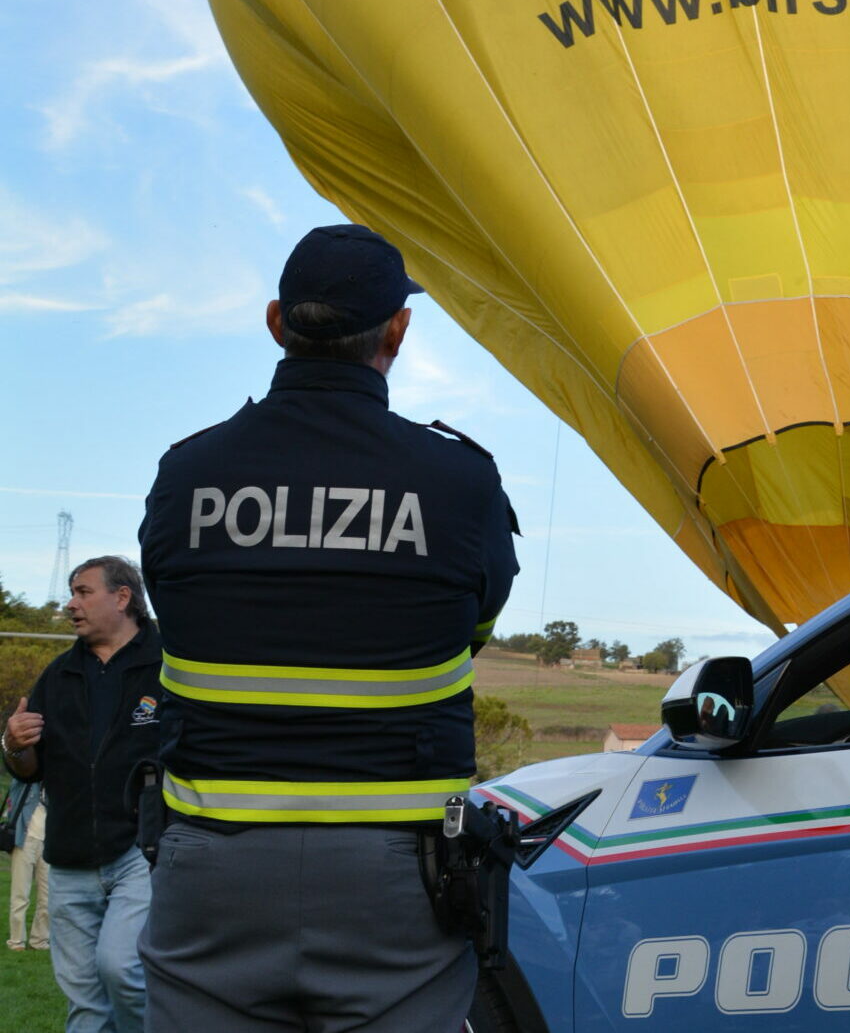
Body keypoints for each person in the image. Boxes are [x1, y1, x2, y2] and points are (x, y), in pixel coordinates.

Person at [137, 223, 519, 1033]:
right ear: (397, 331)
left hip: (211, 864)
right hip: (397, 879)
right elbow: (472, 627)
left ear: (276, 322)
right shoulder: (458, 481)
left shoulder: (187, 473)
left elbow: (180, 612)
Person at [2, 556, 162, 1032]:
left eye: (83, 592)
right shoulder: (59, 673)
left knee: (123, 969)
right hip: (69, 854)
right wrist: (13, 743)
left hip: (141, 851)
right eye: (72, 592)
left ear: (122, 597)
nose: (71, 604)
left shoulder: (168, 664)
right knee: (86, 1002)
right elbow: (28, 771)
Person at [6, 777, 50, 950]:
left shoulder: (53, 785)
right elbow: (17, 765)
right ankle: (16, 941)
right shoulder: (23, 782)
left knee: (47, 897)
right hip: (23, 841)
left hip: (46, 843)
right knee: (20, 895)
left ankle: (39, 939)